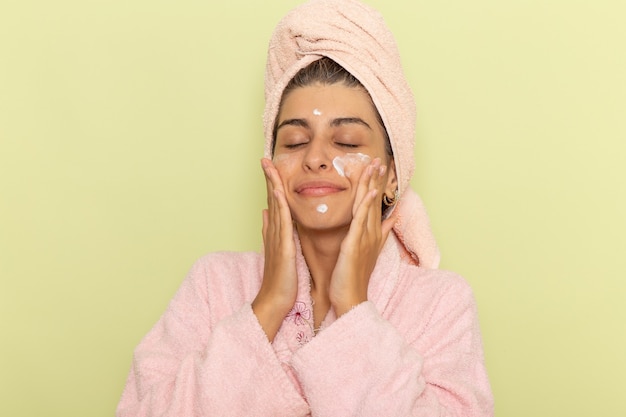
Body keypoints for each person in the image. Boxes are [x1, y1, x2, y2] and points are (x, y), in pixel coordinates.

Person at [116, 0, 494, 415]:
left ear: (391, 176)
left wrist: (352, 307)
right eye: (294, 142)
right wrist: (267, 306)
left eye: (347, 142)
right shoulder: (213, 285)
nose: (316, 157)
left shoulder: (439, 304)